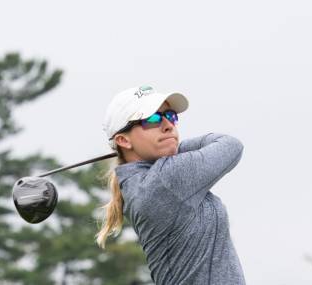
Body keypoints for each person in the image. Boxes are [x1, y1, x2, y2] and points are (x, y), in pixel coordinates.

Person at [97, 85, 246, 285]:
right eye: (151, 119)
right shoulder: (165, 180)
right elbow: (230, 145)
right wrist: (175, 146)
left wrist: (171, 146)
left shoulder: (144, 183)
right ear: (123, 140)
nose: (168, 124)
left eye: (170, 115)